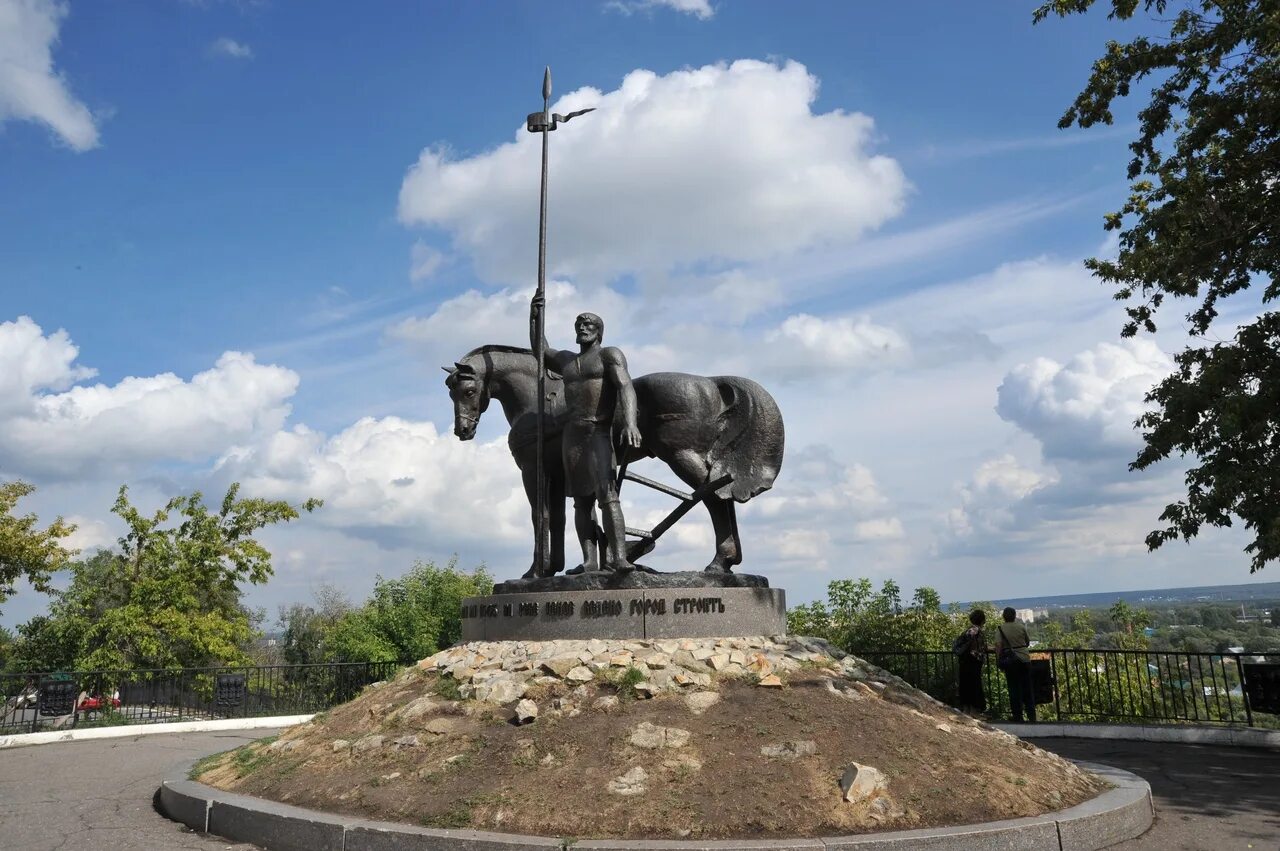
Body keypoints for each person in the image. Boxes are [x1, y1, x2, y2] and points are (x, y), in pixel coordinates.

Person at [530, 292, 641, 573]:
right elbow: (540, 351)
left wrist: (630, 422)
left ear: (599, 331)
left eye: (588, 323)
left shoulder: (609, 355)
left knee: (607, 495)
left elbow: (625, 387)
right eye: (579, 323)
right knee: (581, 502)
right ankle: (590, 561)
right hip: (573, 436)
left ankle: (619, 557)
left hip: (598, 432)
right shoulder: (568, 361)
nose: (582, 327)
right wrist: (534, 316)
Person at [995, 606, 1035, 723]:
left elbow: (998, 645)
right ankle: (1032, 716)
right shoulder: (1021, 627)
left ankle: (1018, 716)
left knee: (1013, 689)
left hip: (1010, 662)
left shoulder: (1000, 629)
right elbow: (1027, 642)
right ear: (1014, 616)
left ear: (1003, 617)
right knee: (1027, 689)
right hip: (1024, 660)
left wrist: (999, 660)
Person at [954, 609, 988, 715]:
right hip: (973, 660)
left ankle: (967, 709)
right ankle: (973, 710)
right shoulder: (975, 630)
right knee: (974, 684)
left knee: (966, 684)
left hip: (967, 660)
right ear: (982, 620)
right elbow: (978, 645)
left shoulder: (970, 630)